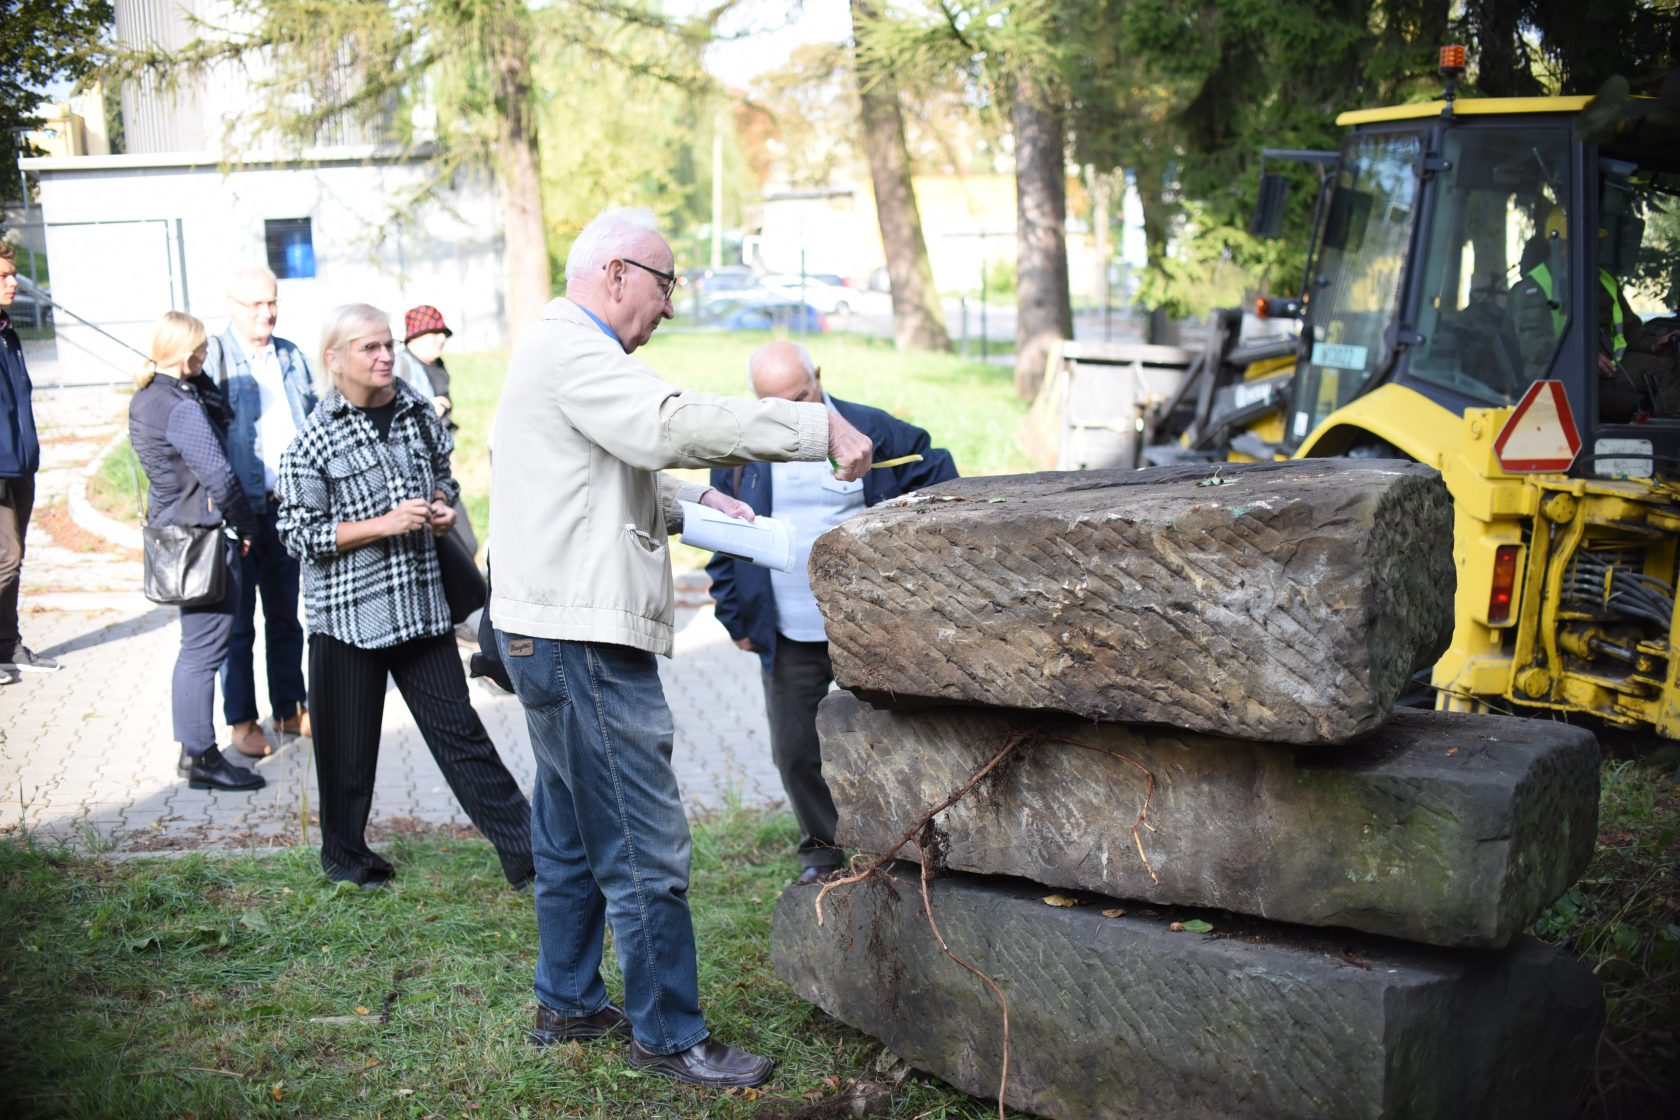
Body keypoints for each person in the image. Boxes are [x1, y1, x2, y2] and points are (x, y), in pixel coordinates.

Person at [490, 207, 873, 1088]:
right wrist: (814, 428)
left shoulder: (554, 349)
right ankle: (668, 1035)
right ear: (617, 273)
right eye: (666, 285)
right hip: (583, 640)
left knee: (570, 833)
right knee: (643, 845)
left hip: (548, 633)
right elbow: (664, 422)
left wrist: (696, 505)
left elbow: (583, 477)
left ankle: (568, 999)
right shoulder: (573, 349)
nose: (669, 307)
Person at [276, 303, 533, 889]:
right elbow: (298, 534)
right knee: (347, 754)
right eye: (369, 347)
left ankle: (531, 857)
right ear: (334, 359)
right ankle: (348, 863)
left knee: (462, 737)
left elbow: (443, 472)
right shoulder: (313, 440)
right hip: (348, 621)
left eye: (389, 344)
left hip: (419, 609)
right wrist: (381, 525)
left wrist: (441, 507)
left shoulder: (417, 410)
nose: (385, 355)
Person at [706, 341, 958, 884]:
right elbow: (721, 538)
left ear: (818, 376)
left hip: (869, 630)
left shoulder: (871, 430)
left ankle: (904, 847)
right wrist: (736, 617)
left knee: (890, 740)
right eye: (776, 404)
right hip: (786, 630)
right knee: (796, 751)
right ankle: (822, 853)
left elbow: (938, 478)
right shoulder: (741, 451)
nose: (792, 413)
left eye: (800, 398)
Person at [128, 312, 266, 792]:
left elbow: (219, 412)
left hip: (174, 532)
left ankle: (193, 752)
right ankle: (204, 757)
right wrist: (246, 527)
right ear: (188, 354)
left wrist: (194, 374)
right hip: (201, 540)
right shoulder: (180, 407)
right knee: (204, 651)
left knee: (195, 648)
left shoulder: (150, 395)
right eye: (202, 350)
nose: (208, 355)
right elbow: (220, 475)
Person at [204, 267, 316, 759]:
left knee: (286, 616)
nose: (266, 312)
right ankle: (242, 720)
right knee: (238, 624)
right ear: (232, 306)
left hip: (287, 507)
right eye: (255, 304)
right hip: (238, 514)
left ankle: (289, 708)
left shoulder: (290, 355)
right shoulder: (215, 357)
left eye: (272, 302)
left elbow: (312, 416)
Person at [1513, 206, 1680, 416]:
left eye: (1596, 244)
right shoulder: (1533, 289)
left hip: (1609, 367)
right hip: (1558, 372)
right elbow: (1535, 346)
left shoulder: (1604, 282)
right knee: (1666, 374)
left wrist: (1655, 344)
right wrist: (1584, 356)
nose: (1595, 250)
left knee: (1671, 364)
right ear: (1560, 246)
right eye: (1587, 243)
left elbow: (1631, 330)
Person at [1, 242, 63, 686]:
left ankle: (8, 645)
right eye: (4, 276)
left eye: (13, 273)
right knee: (6, 557)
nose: (14, 282)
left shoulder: (9, 334)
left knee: (14, 557)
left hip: (21, 464)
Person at [396, 304, 455, 428]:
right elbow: (389, 411)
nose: (442, 338)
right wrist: (424, 409)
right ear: (415, 337)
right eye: (434, 332)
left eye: (443, 333)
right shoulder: (401, 364)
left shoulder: (437, 363)